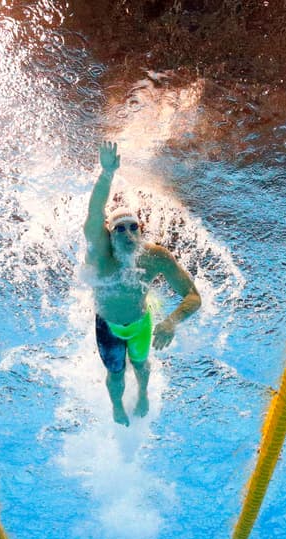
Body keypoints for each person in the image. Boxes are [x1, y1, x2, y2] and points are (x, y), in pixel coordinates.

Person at [84, 142, 202, 426]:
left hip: (140, 322)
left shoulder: (155, 257)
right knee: (115, 372)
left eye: (132, 227)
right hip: (108, 326)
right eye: (119, 228)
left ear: (141, 230)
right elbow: (95, 212)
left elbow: (193, 296)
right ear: (108, 235)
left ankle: (144, 394)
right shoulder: (100, 254)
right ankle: (116, 406)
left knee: (141, 366)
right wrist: (106, 173)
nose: (127, 233)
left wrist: (171, 322)